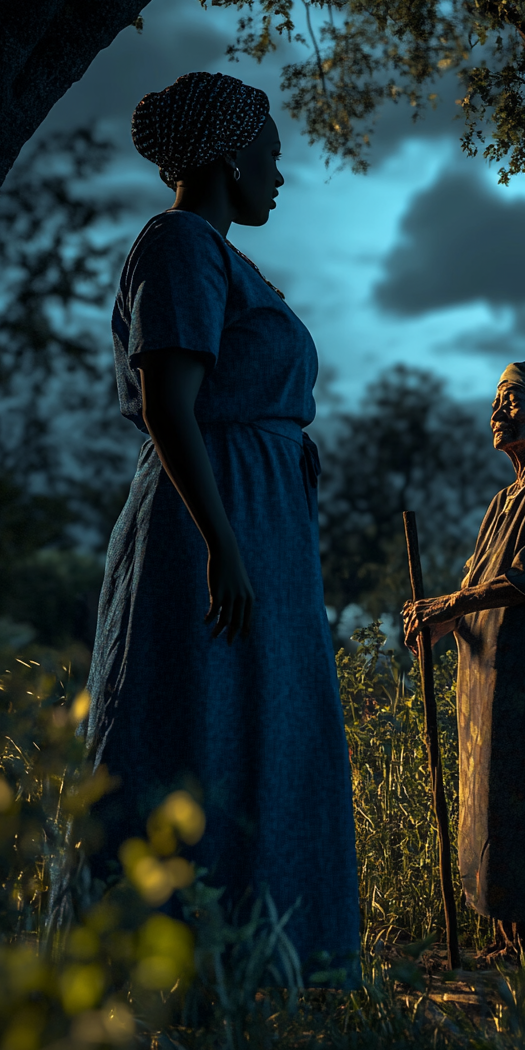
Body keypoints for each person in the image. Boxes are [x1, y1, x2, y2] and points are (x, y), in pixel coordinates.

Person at [79, 71, 359, 984]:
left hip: (259, 509)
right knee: (204, 716)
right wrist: (223, 547)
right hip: (218, 512)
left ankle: (272, 950)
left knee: (267, 717)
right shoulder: (178, 246)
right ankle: (182, 963)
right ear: (232, 156)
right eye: (273, 157)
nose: (281, 176)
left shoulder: (221, 256)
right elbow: (170, 406)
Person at [402, 361, 525, 961]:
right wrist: (438, 622)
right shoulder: (502, 501)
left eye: (514, 400)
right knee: (491, 803)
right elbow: (477, 582)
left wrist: (448, 601)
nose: (499, 411)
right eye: (497, 400)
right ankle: (502, 939)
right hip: (489, 681)